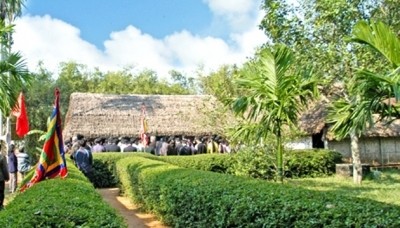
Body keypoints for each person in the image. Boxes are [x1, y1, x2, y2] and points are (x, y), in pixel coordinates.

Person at [0, 143, 10, 210]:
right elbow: (5, 168)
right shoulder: (2, 157)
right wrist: (7, 177)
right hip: (0, 178)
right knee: (1, 192)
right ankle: (0, 205)